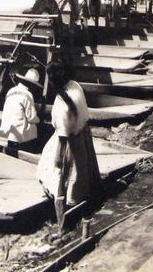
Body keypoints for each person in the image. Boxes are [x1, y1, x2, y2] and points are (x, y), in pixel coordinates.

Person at [37, 59, 100, 207]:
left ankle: (67, 200)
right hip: (83, 134)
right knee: (82, 170)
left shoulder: (61, 102)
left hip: (69, 141)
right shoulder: (75, 85)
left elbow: (62, 137)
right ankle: (82, 193)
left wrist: (58, 158)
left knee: (57, 170)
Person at [0, 68, 42, 151]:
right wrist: (39, 120)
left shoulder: (11, 91)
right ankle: (29, 148)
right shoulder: (28, 95)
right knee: (34, 126)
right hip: (18, 133)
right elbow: (32, 118)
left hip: (7, 130)